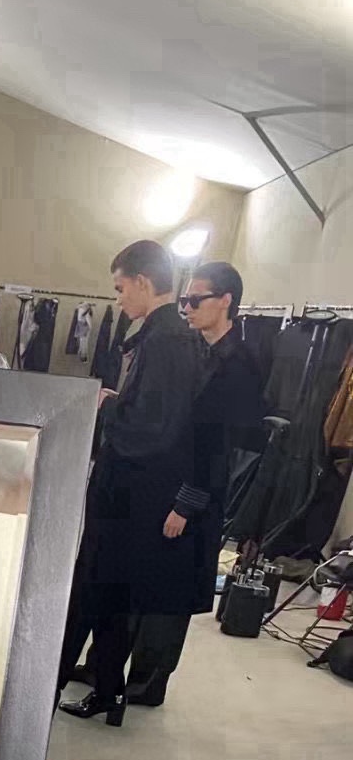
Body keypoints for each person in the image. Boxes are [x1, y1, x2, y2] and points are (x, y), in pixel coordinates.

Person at [58, 238, 205, 725]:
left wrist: (110, 407)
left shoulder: (165, 341)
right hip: (137, 491)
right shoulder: (169, 337)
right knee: (110, 594)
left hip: (130, 493)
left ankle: (57, 683)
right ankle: (108, 692)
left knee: (93, 589)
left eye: (121, 288)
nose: (119, 299)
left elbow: (154, 428)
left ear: (142, 282)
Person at [125, 259, 266, 706]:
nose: (185, 307)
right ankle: (126, 673)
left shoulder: (239, 364)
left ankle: (148, 685)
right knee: (149, 584)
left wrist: (186, 503)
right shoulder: (196, 351)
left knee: (171, 596)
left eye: (195, 299)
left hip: (196, 497)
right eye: (184, 299)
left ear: (225, 301)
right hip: (168, 485)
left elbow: (223, 447)